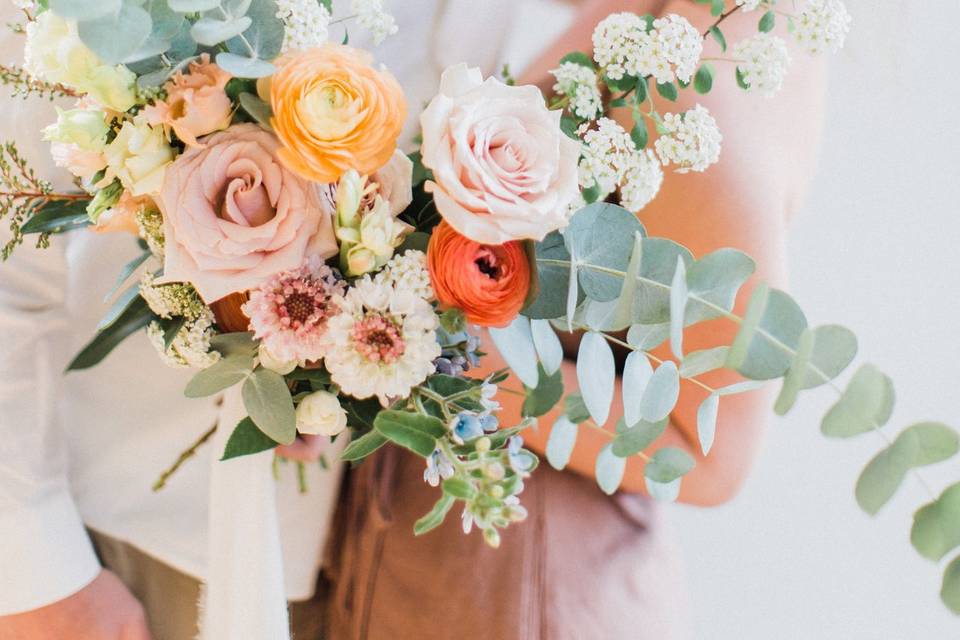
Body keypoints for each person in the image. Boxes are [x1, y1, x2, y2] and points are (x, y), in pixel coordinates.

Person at [0, 2, 827, 640]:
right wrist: (35, 576)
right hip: (161, 528)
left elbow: (713, 454)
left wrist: (423, 357)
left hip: (451, 569)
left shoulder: (701, 69)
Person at [320, 1, 826, 638]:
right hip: (449, 549)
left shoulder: (704, 98)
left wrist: (442, 359)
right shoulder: (656, 20)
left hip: (513, 580)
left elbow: (715, 457)